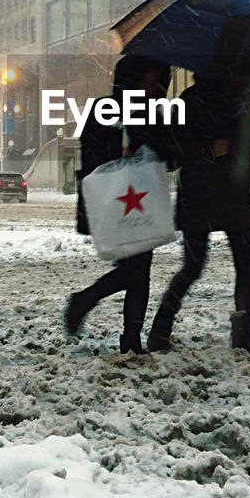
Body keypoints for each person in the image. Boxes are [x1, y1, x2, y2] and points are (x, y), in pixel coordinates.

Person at [147, 73, 250, 360]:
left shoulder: (243, 103)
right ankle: (161, 331)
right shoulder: (195, 102)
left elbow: (249, 152)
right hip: (205, 194)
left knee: (237, 266)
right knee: (198, 266)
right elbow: (172, 153)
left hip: (227, 195)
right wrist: (207, 150)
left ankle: (241, 336)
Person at [66, 55, 175, 355]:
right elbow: (92, 159)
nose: (152, 87)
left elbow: (171, 156)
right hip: (115, 204)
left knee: (140, 271)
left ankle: (130, 338)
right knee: (135, 272)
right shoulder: (106, 110)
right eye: (146, 80)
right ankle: (87, 301)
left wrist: (146, 135)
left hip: (140, 204)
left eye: (156, 81)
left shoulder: (152, 113)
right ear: (131, 80)